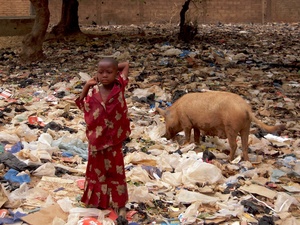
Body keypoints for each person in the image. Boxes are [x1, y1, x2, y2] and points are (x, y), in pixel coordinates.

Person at [75, 57, 131, 221]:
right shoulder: (93, 92)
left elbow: (126, 64)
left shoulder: (120, 86)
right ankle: (97, 202)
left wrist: (113, 66)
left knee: (115, 171)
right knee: (96, 172)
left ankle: (119, 203)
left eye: (109, 72)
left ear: (116, 73)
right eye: (101, 72)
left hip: (114, 139)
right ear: (96, 74)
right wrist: (87, 85)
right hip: (96, 140)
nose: (104, 75)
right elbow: (80, 103)